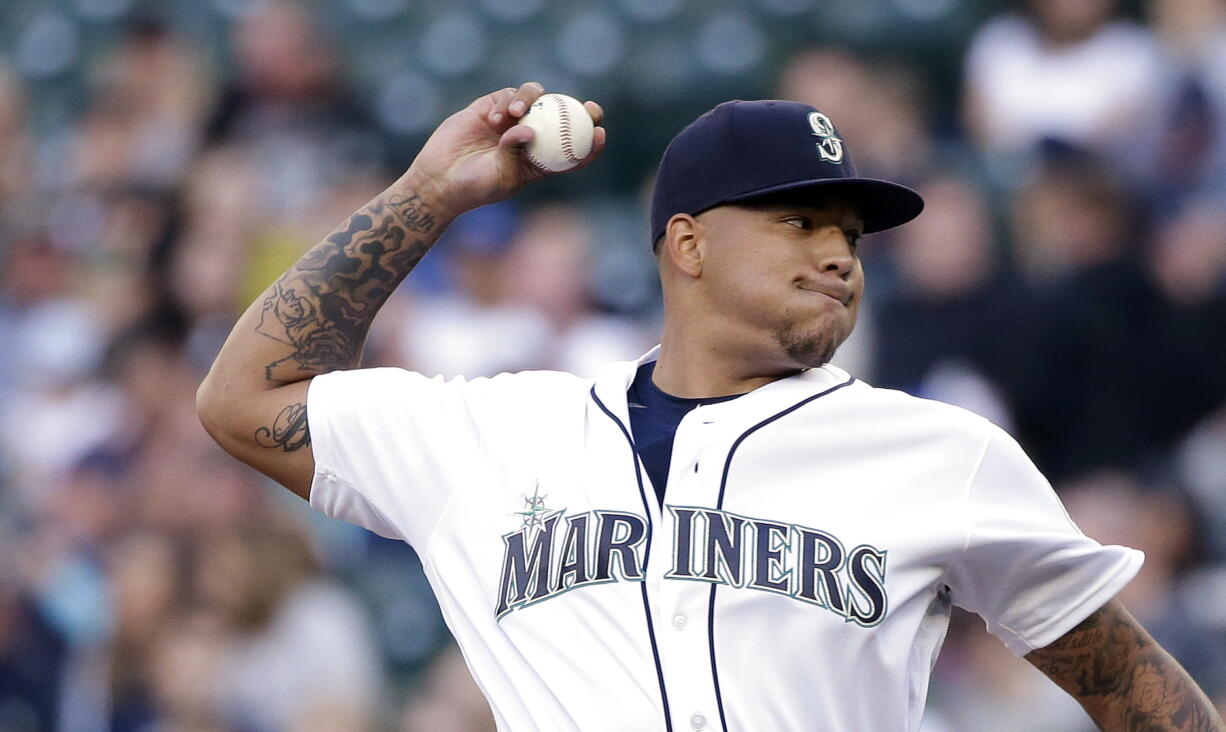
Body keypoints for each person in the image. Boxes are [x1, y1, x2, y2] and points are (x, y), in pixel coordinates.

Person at [196, 83, 1225, 730]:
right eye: (798, 220)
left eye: (850, 235)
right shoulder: (495, 436)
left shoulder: (938, 455)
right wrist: (429, 195)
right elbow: (245, 397)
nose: (835, 252)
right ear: (685, 244)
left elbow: (1135, 694)